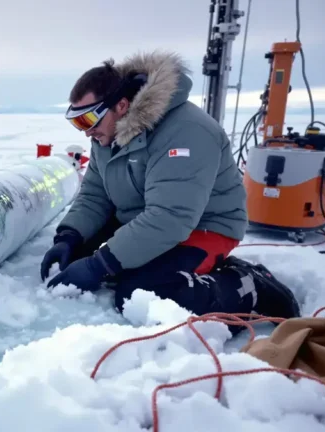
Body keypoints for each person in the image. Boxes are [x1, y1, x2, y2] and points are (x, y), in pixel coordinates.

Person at [40, 50, 301, 322]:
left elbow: (171, 217)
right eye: (77, 122)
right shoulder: (107, 136)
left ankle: (249, 285)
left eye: (88, 120)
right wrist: (69, 236)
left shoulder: (186, 131)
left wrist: (100, 264)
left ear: (121, 106)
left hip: (204, 225)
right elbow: (95, 195)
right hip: (147, 217)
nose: (86, 132)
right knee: (76, 257)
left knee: (141, 294)